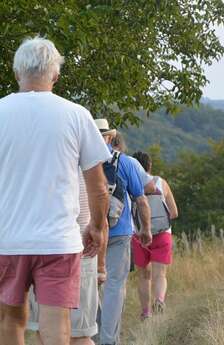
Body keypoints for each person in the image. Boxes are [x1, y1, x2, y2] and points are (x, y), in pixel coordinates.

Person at [0, 37, 110, 345]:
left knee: (10, 319)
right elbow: (98, 187)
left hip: (7, 239)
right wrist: (98, 227)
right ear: (55, 75)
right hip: (58, 240)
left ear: (16, 73)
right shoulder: (76, 115)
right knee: (57, 324)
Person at [95, 119, 152, 345]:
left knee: (90, 286)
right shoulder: (126, 162)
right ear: (110, 137)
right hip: (119, 231)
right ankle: (108, 340)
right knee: (114, 286)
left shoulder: (80, 161)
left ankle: (93, 335)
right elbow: (141, 199)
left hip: (90, 232)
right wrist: (146, 230)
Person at [28, 174, 102, 345]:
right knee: (78, 335)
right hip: (78, 252)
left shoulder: (33, 160)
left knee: (44, 332)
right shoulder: (81, 157)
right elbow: (100, 197)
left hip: (39, 251)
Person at [131, 151, 178, 319]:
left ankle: (146, 313)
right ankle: (159, 300)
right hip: (162, 234)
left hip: (139, 235)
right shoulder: (160, 182)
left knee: (144, 275)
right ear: (149, 166)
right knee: (160, 274)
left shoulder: (131, 185)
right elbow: (173, 213)